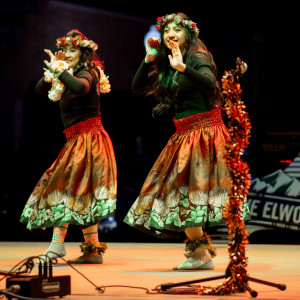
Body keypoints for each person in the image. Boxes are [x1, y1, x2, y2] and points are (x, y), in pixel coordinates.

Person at [124, 12, 251, 270]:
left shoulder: (196, 54)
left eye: (176, 30)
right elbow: (137, 87)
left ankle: (201, 255)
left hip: (204, 133)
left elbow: (211, 84)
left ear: (188, 33)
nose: (171, 34)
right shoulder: (167, 57)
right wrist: (147, 59)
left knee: (189, 193)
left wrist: (184, 68)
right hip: (184, 133)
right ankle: (199, 254)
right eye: (166, 30)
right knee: (180, 193)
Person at [20, 29, 117, 264]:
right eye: (64, 50)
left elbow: (81, 88)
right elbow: (39, 90)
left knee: (63, 187)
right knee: (80, 193)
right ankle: (93, 250)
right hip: (76, 139)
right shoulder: (66, 73)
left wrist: (60, 71)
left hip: (89, 139)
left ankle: (57, 245)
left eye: (73, 50)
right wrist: (54, 71)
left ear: (83, 54)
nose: (67, 53)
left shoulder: (89, 71)